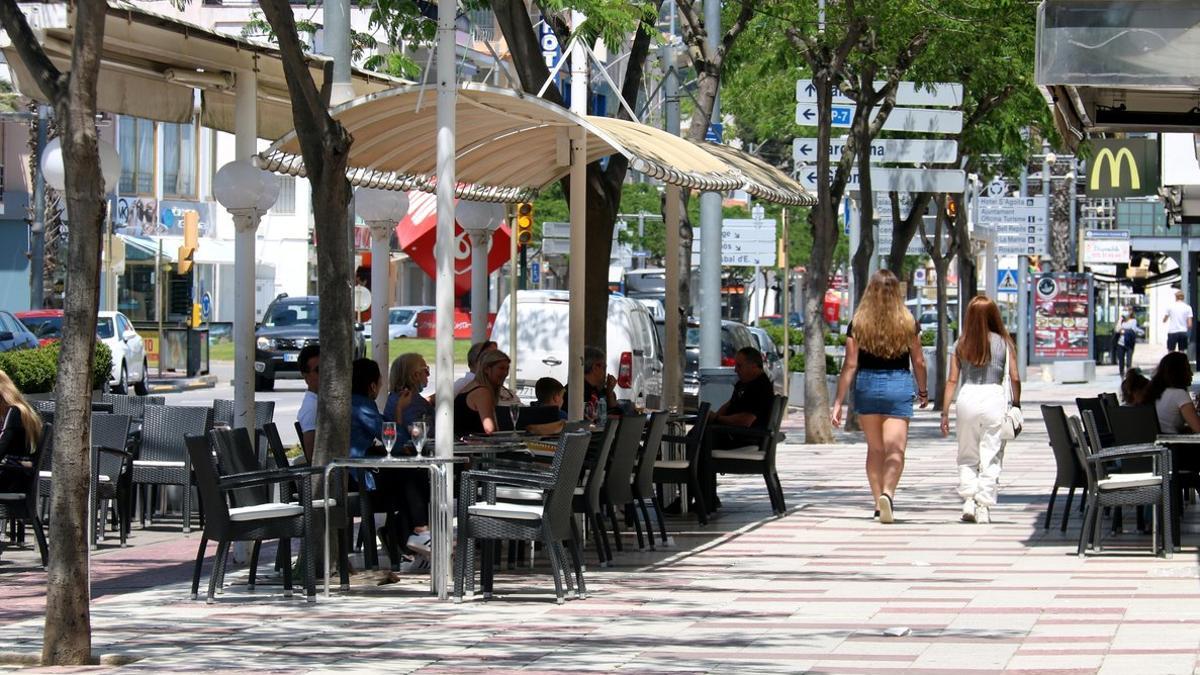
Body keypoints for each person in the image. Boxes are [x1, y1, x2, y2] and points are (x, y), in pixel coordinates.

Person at [831, 269, 928, 524]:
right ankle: (888, 493)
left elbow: (850, 365)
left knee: (875, 449)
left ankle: (877, 504)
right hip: (898, 383)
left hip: (867, 384)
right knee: (895, 449)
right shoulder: (908, 322)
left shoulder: (858, 323)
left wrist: (838, 402)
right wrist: (923, 391)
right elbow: (918, 361)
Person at [940, 296, 1021, 524]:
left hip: (968, 396)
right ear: (994, 315)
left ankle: (968, 499)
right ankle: (983, 505)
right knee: (992, 452)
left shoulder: (961, 343)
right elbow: (1014, 377)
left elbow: (952, 381)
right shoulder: (1004, 343)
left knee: (967, 452)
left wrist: (945, 412)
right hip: (993, 396)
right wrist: (1016, 403)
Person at [349, 358, 432, 566]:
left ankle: (406, 543)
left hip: (359, 471)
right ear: (372, 385)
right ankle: (418, 532)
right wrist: (399, 411)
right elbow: (392, 437)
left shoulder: (355, 403)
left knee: (412, 475)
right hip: (361, 476)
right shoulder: (361, 406)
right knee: (413, 474)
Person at [700, 346, 775, 513]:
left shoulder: (760, 387)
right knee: (697, 437)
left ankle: (702, 497)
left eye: (739, 366)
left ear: (753, 366)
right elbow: (729, 405)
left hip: (745, 437)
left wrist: (718, 419)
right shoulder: (743, 384)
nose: (735, 370)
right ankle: (705, 496)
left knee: (699, 443)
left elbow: (746, 420)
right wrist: (713, 417)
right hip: (733, 434)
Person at [0, 369, 43, 494]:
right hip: (17, 477)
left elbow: (2, 448)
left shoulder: (14, 413)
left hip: (11, 481)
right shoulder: (21, 411)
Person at [455, 349, 510, 437]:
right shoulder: (482, 392)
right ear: (487, 369)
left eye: (507, 369)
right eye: (501, 368)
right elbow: (490, 430)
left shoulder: (473, 386)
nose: (505, 373)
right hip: (471, 447)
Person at [386, 352, 434, 447]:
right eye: (426, 370)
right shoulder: (412, 402)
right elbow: (417, 434)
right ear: (416, 375)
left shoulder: (395, 396)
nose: (428, 375)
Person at [1147, 351, 1200, 434]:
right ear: (1179, 372)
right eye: (1188, 369)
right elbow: (1198, 428)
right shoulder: (1179, 394)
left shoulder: (1158, 391)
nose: (1192, 373)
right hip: (1173, 443)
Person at [563, 346, 619, 419]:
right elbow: (588, 418)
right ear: (595, 367)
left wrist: (610, 391)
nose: (605, 372)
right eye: (604, 368)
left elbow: (614, 411)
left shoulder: (597, 391)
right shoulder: (577, 391)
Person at [295, 344, 320, 462]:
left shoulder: (320, 402)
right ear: (306, 376)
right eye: (319, 370)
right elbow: (312, 458)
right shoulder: (313, 408)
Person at [1114, 307, 1143, 377]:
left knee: (1128, 361)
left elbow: (1132, 331)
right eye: (1125, 310)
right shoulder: (1121, 320)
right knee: (1121, 361)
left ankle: (1128, 375)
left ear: (1131, 312)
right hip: (1120, 343)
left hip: (1130, 343)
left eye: (1128, 310)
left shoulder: (1133, 321)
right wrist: (1120, 320)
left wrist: (1123, 330)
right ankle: (1121, 374)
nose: (1126, 311)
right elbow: (1117, 330)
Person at [1163, 289, 1193, 353]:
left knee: (1170, 351)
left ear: (1175, 297)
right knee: (1182, 351)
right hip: (1183, 332)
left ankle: (1171, 362)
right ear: (1183, 297)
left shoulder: (1170, 307)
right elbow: (1190, 324)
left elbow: (1165, 319)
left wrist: (1164, 319)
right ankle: (1180, 362)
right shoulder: (1188, 307)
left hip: (1172, 332)